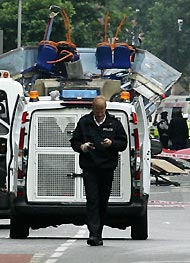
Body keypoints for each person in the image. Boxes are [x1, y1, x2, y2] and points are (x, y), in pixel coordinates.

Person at [70, 95, 127, 246]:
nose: (100, 114)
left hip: (107, 167)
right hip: (90, 167)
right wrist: (82, 147)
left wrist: (112, 143)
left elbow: (123, 143)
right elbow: (75, 141)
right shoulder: (84, 122)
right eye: (97, 111)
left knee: (103, 201)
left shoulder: (114, 123)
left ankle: (99, 231)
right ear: (93, 109)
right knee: (92, 199)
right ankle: (93, 234)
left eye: (102, 111)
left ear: (105, 108)